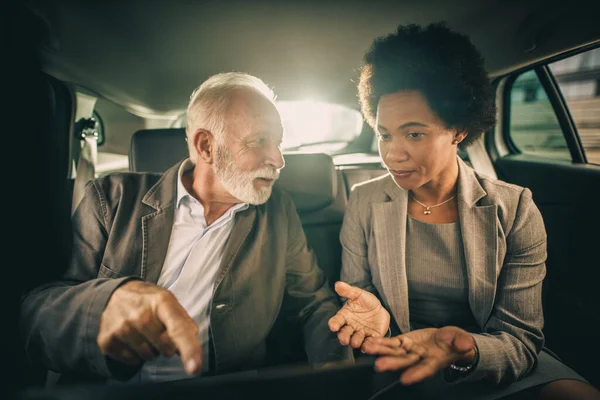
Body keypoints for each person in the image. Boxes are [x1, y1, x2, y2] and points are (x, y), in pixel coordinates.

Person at [19, 72, 389, 386]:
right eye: (259, 141)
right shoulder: (112, 197)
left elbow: (313, 304)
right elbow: (35, 311)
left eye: (278, 142)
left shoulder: (277, 212)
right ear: (207, 146)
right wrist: (103, 306)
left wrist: (340, 356)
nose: (278, 160)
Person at [328, 23, 600, 399]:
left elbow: (520, 340)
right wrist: (379, 324)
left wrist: (469, 350)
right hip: (403, 360)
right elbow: (360, 300)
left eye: (415, 134)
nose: (392, 154)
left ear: (457, 130)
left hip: (495, 360)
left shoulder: (515, 208)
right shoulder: (364, 201)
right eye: (384, 133)